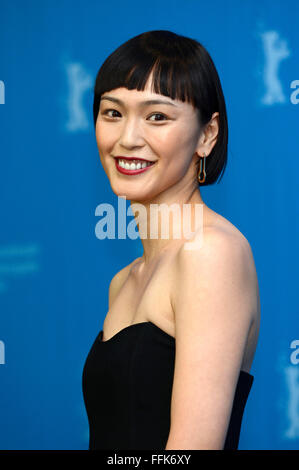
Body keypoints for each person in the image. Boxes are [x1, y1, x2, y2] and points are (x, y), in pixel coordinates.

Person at [82, 30, 260, 450]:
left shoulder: (211, 253)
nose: (127, 138)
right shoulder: (124, 280)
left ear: (206, 135)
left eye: (156, 116)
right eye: (112, 113)